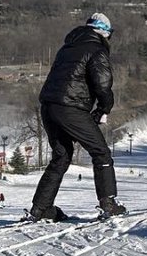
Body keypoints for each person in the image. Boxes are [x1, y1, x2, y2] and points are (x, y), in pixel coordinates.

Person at [29, 13, 125, 221]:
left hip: (48, 106)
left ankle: (41, 208)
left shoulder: (67, 48)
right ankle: (108, 203)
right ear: (105, 33)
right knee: (101, 152)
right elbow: (102, 84)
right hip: (70, 108)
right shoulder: (97, 50)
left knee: (61, 157)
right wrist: (104, 109)